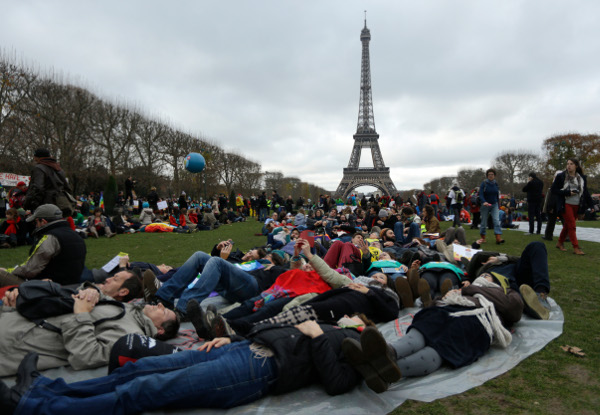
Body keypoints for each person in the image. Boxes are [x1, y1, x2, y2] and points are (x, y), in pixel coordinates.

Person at [0, 314, 369, 414]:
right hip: (241, 351)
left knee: (144, 390)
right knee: (136, 370)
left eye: (360, 319)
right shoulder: (336, 327)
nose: (354, 317)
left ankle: (32, 406)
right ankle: (45, 388)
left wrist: (319, 337)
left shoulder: (353, 348)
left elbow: (336, 382)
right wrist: (236, 338)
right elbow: (279, 333)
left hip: (256, 372)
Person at [342, 272, 522, 393]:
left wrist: (469, 289)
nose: (482, 276)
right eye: (481, 274)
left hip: (478, 320)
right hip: (449, 309)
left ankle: (387, 369)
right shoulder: (465, 290)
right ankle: (389, 353)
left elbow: (513, 310)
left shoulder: (506, 292)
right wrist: (443, 299)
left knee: (444, 344)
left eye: (487, 276)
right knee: (426, 325)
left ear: (499, 282)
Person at [0, 274, 179, 376]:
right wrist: (92, 291)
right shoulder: (129, 309)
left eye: (163, 311)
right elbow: (97, 294)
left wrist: (81, 314)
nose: (160, 305)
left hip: (11, 343)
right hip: (12, 318)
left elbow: (86, 355)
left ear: (159, 329)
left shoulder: (130, 335)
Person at [0, 204, 86, 287]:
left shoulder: (50, 237)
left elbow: (30, 270)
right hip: (71, 285)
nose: (35, 225)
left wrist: (8, 271)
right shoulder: (75, 235)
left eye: (35, 222)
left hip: (48, 287)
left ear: (43, 221)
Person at [550, 158, 593, 255]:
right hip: (565, 204)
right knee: (572, 226)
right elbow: (553, 190)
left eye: (571, 164)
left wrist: (592, 205)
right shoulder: (561, 176)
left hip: (577, 205)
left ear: (576, 166)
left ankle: (560, 243)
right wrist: (567, 192)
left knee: (567, 226)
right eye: (567, 164)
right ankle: (576, 247)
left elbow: (585, 192)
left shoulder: (582, 178)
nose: (569, 166)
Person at [23, 148, 75, 217]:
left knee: (43, 225)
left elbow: (38, 188)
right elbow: (67, 187)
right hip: (60, 204)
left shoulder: (39, 168)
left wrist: (32, 204)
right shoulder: (58, 168)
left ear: (38, 157)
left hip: (45, 204)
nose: (34, 159)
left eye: (35, 157)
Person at [479, 168, 504, 245]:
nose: (490, 176)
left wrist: (498, 204)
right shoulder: (484, 183)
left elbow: (497, 195)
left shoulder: (496, 184)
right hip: (485, 205)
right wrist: (484, 202)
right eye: (489, 175)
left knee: (496, 220)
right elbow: (481, 194)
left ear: (494, 175)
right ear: (487, 176)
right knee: (483, 222)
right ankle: (483, 238)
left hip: (494, 204)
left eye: (492, 174)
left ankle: (498, 238)